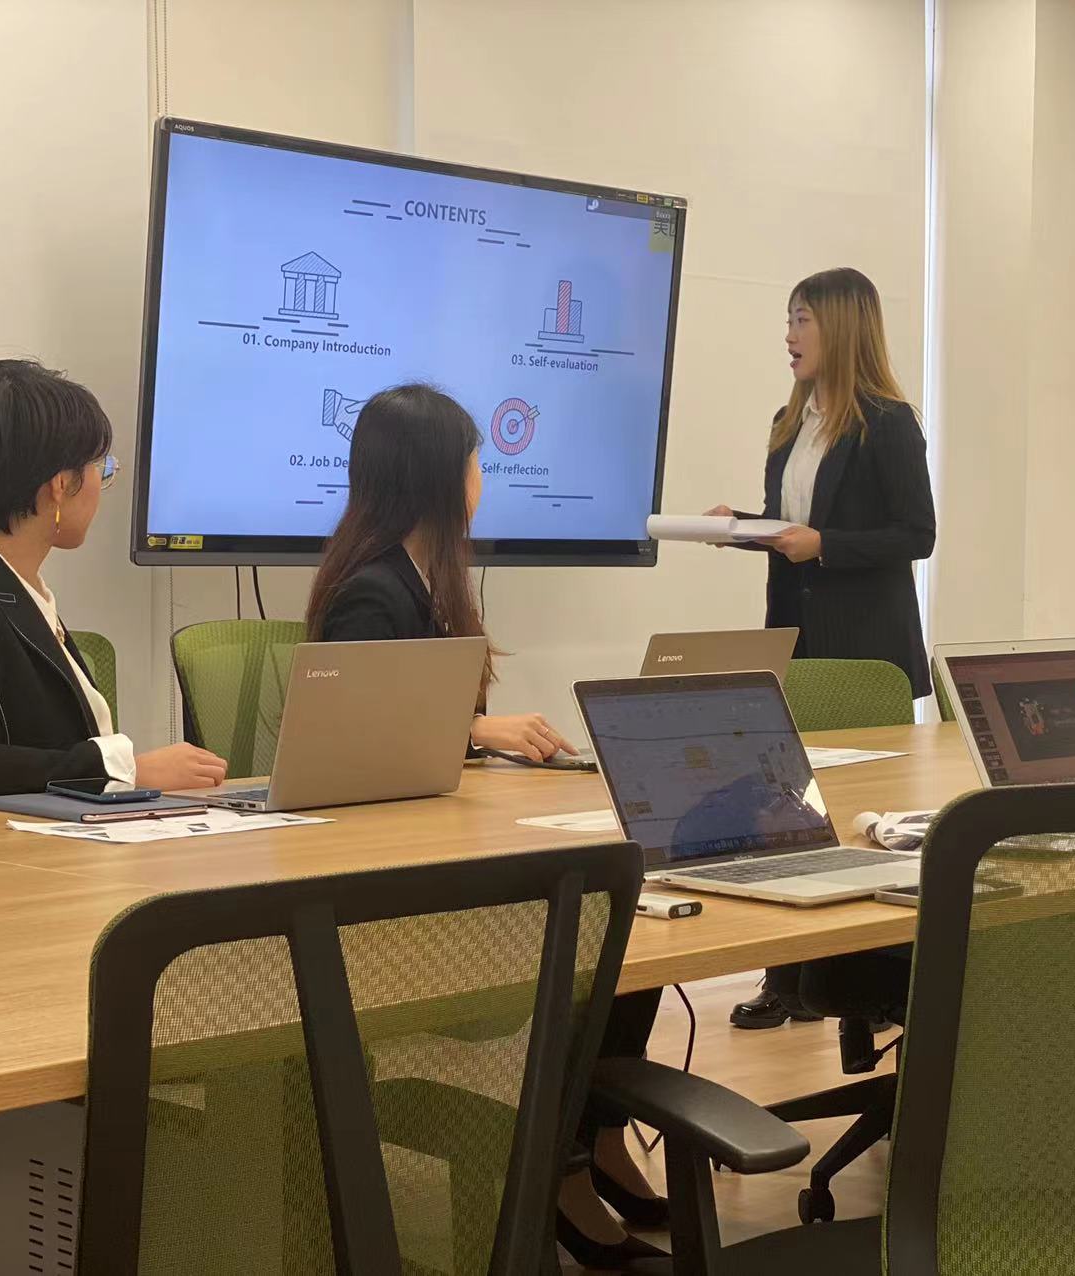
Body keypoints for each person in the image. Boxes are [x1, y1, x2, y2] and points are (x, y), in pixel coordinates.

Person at [304, 383, 667, 1268]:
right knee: (599, 921)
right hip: (393, 881)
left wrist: (479, 736)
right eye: (476, 463)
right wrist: (475, 730)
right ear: (439, 477)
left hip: (434, 840)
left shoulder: (417, 579)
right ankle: (568, 1161)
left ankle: (590, 1138)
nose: (483, 480)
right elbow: (359, 736)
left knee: (630, 909)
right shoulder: (371, 594)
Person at [706, 266, 935, 1030]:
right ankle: (788, 977)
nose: (789, 335)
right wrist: (739, 528)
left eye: (801, 319)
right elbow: (789, 530)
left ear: (840, 325)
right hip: (797, 640)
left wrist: (826, 545)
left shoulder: (887, 422)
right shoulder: (790, 420)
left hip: (864, 651)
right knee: (788, 812)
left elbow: (917, 535)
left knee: (858, 816)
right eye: (788, 320)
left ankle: (859, 983)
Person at [0, 360, 225, 806]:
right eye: (102, 468)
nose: (103, 483)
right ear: (61, 484)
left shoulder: (17, 590)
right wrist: (123, 770)